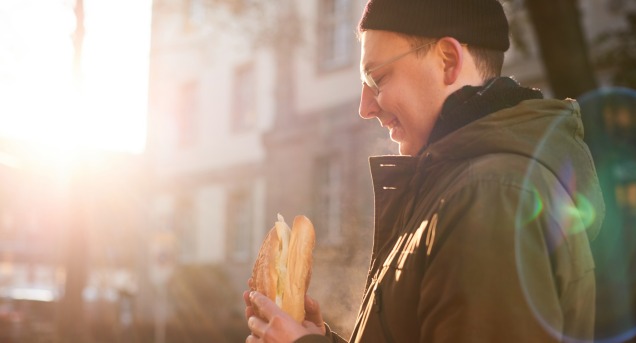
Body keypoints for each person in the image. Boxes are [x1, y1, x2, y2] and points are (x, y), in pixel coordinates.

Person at [244, 0, 606, 342]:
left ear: (448, 61)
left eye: (378, 79)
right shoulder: (462, 186)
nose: (365, 108)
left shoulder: (491, 194)